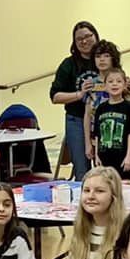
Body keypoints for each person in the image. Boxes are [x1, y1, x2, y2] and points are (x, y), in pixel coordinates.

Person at [49, 20, 104, 178]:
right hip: (77, 120)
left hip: (103, 120)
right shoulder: (68, 64)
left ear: (95, 36)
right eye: (80, 39)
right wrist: (78, 94)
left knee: (106, 168)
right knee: (82, 168)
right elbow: (55, 96)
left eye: (88, 36)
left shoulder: (104, 59)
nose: (85, 41)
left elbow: (116, 81)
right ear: (74, 42)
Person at [89, 69, 130, 177]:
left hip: (123, 157)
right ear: (105, 86)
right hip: (104, 157)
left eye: (118, 81)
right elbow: (97, 134)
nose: (114, 84)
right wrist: (97, 155)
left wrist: (129, 156)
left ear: (125, 85)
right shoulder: (100, 108)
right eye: (110, 81)